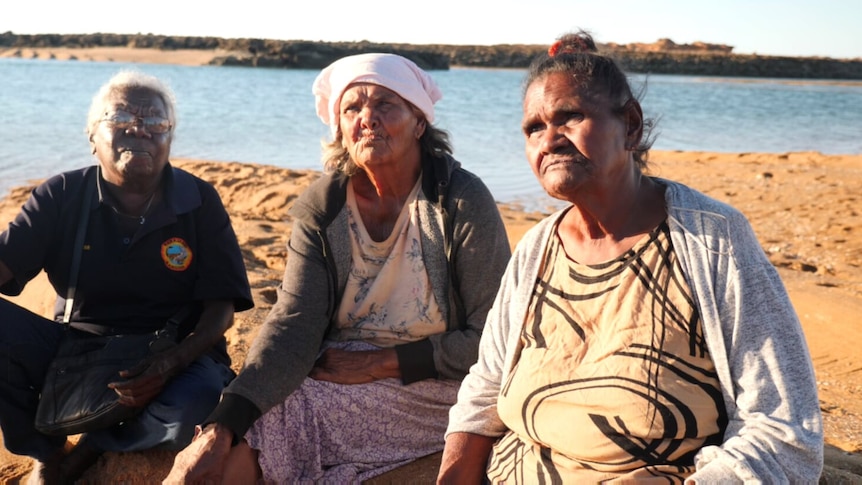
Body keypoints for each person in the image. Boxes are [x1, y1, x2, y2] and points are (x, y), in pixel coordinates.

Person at [438, 31, 824, 484]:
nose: (550, 140)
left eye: (571, 117)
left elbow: (784, 432)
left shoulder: (710, 239)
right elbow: (485, 389)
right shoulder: (536, 250)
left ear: (632, 126)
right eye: (534, 128)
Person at [165, 52, 511, 483]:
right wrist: (221, 424)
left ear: (419, 122)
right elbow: (294, 323)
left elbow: (493, 339)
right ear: (341, 130)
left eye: (386, 103)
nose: (367, 117)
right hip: (339, 371)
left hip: (442, 381)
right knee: (244, 428)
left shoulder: (461, 202)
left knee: (289, 415)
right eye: (353, 108)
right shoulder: (323, 207)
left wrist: (384, 363)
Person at [0, 70, 254, 483]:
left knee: (199, 407)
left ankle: (95, 442)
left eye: (155, 123)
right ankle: (45, 450)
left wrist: (170, 363)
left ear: (171, 137)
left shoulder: (200, 201)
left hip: (174, 355)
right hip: (77, 350)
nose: (139, 132)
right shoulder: (60, 195)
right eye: (121, 122)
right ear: (91, 135)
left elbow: (221, 311)